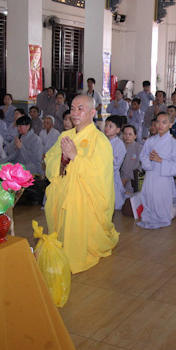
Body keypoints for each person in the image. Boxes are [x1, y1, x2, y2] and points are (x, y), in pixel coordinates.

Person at [44, 95, 119, 274]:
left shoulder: (100, 141)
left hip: (83, 198)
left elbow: (99, 174)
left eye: (80, 109)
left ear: (92, 112)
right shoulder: (65, 136)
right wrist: (62, 159)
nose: (75, 113)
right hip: (63, 190)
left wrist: (74, 157)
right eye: (72, 108)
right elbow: (49, 159)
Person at [137, 112, 176, 229]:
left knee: (161, 202)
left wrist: (160, 160)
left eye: (164, 122)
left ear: (170, 124)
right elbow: (142, 156)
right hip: (150, 174)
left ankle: (174, 209)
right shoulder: (150, 141)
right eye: (158, 122)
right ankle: (151, 215)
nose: (160, 125)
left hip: (163, 177)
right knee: (148, 197)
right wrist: (149, 160)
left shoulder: (174, 144)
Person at [104, 115, 127, 210]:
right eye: (106, 125)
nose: (107, 128)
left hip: (111, 175)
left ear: (118, 130)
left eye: (110, 126)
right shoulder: (102, 141)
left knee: (114, 204)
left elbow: (116, 164)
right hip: (100, 174)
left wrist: (104, 161)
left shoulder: (119, 145)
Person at [120, 124, 142, 195]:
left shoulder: (139, 148)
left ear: (135, 136)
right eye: (125, 134)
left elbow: (141, 167)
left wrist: (127, 179)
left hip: (132, 181)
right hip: (119, 179)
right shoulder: (120, 147)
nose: (127, 136)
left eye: (130, 134)